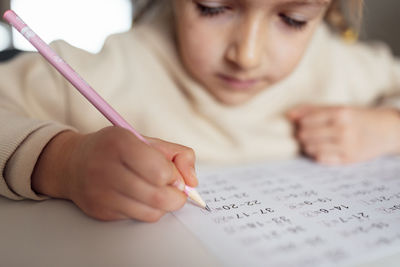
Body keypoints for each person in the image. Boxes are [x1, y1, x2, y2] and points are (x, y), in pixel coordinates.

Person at [0, 0, 399, 222]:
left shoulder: (340, 67)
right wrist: (64, 161)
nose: (246, 55)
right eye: (213, 8)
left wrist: (387, 127)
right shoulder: (106, 70)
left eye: (292, 19)